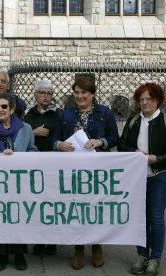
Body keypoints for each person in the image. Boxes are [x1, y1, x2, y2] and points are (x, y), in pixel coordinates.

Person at [52, 76, 119, 270]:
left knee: (95, 208)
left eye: (84, 93)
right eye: (77, 93)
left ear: (92, 94)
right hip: (73, 170)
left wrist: (100, 142)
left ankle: (97, 246)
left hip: (97, 170)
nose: (80, 96)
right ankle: (79, 248)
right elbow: (54, 138)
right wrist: (59, 144)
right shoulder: (66, 114)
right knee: (77, 209)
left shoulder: (104, 113)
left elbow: (114, 137)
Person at [118, 83, 166, 276]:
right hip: (137, 178)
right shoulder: (134, 121)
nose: (145, 102)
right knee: (140, 218)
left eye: (149, 99)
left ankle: (155, 257)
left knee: (155, 218)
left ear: (157, 100)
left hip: (160, 175)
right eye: (142, 99)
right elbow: (122, 145)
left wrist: (158, 159)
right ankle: (142, 255)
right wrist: (135, 153)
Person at [0, 93, 38, 271]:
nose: (0, 110)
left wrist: (18, 156)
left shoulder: (26, 129)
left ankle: (19, 254)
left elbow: (33, 151)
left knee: (19, 217)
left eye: (4, 106)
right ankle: (2, 254)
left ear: (12, 109)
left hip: (20, 183)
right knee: (0, 218)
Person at [24, 79, 61, 256]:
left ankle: (52, 240)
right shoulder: (27, 114)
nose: (46, 96)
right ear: (36, 94)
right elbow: (20, 134)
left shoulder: (58, 114)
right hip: (32, 164)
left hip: (53, 164)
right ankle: (38, 240)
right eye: (42, 93)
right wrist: (33, 132)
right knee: (36, 203)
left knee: (52, 203)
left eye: (49, 93)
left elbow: (62, 136)